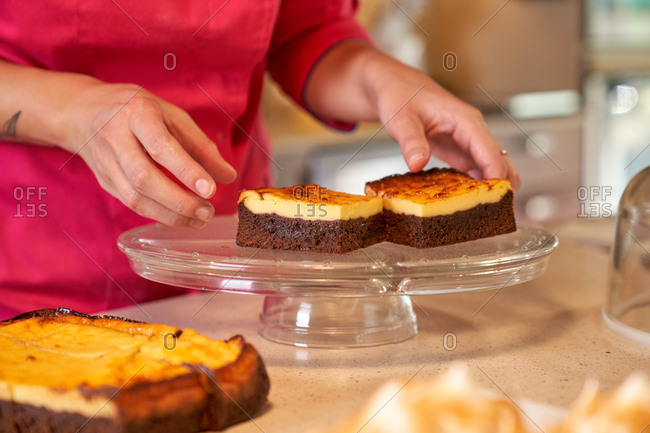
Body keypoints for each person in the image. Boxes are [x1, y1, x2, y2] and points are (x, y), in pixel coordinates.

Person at [0, 1, 519, 319]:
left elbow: (305, 29)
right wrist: (68, 109)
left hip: (238, 272)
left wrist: (380, 79)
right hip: (32, 285)